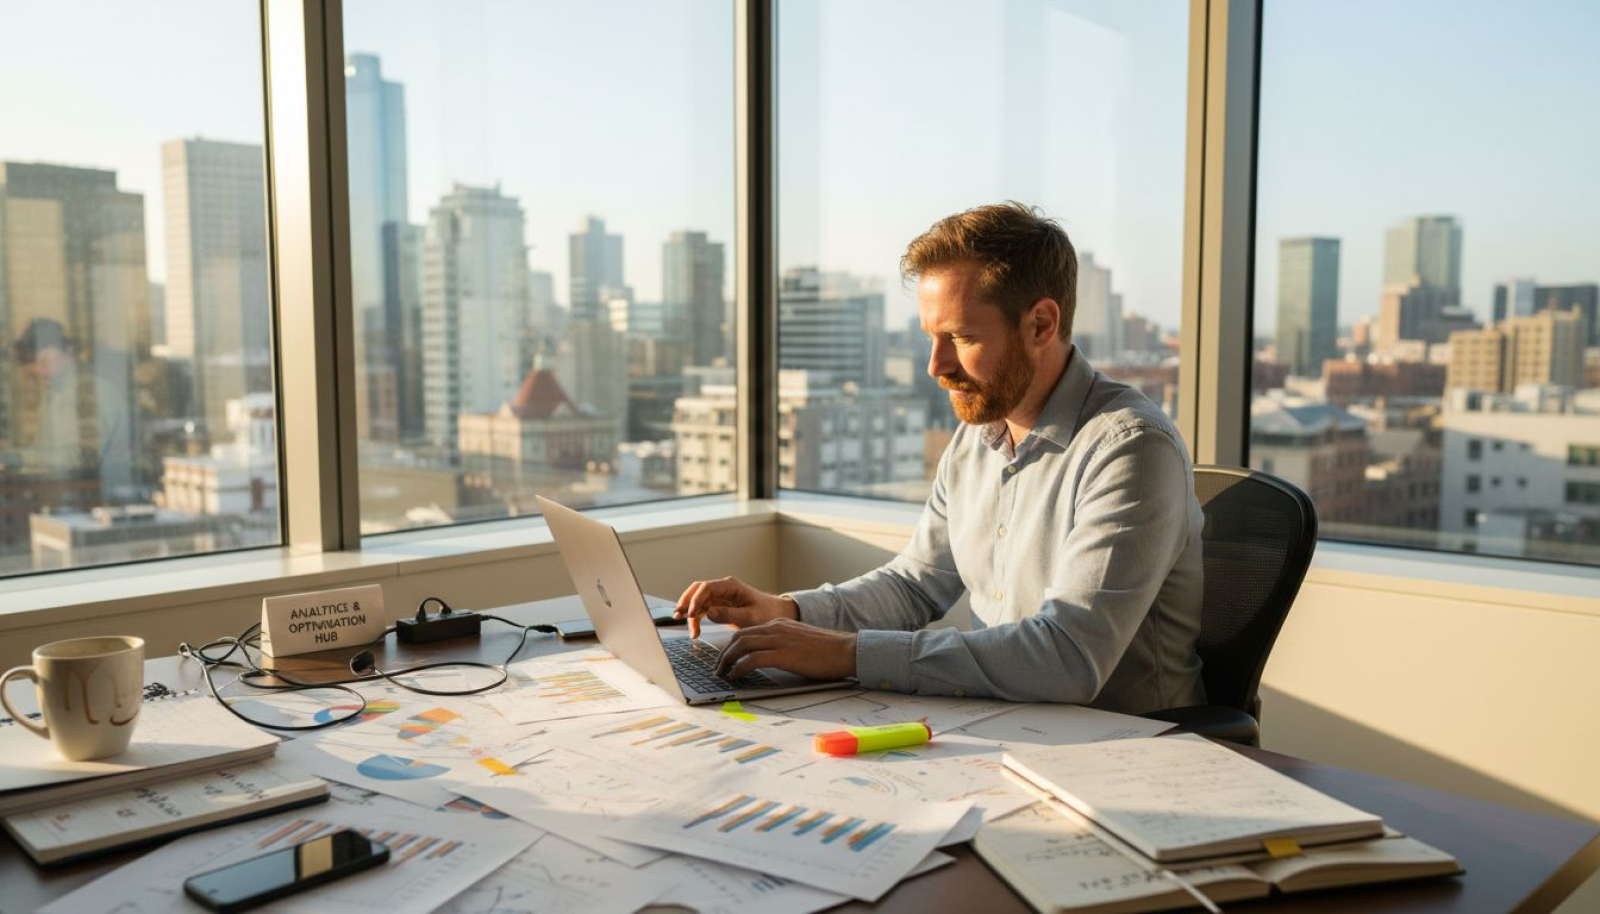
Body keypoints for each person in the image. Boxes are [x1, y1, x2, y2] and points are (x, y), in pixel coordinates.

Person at [676, 202, 1205, 714]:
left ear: (1042, 324)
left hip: (1127, 751)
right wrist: (785, 612)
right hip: (1006, 728)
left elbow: (1067, 657)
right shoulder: (978, 435)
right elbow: (913, 586)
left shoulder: (1131, 448)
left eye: (960, 336)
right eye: (931, 337)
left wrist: (843, 654)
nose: (935, 365)